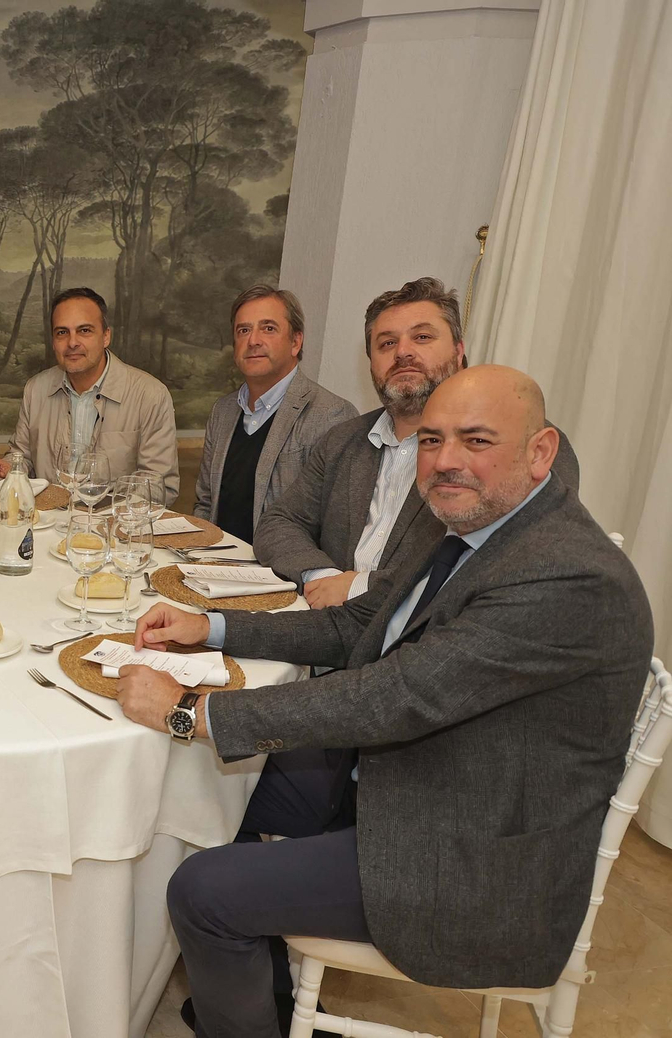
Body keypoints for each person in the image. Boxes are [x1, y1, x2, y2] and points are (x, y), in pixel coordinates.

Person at [116, 365, 652, 1038]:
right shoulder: (466, 523)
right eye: (431, 440)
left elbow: (392, 698)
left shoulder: (563, 574)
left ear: (540, 453)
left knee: (201, 891)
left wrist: (191, 711)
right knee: (211, 792)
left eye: (475, 441)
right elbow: (352, 625)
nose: (445, 461)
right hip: (413, 778)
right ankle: (262, 1007)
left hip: (470, 854)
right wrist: (214, 625)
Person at [256, 277, 580, 608]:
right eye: (386, 344)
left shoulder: (520, 442)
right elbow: (279, 523)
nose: (403, 352)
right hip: (326, 633)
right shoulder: (342, 441)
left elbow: (506, 563)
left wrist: (360, 587)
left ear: (459, 352)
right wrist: (321, 577)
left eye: (422, 337)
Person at [194, 286, 356, 541]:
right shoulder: (222, 411)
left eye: (268, 328)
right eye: (243, 330)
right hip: (215, 570)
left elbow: (334, 526)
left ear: (295, 342)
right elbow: (205, 502)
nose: (253, 340)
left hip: (283, 575)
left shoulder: (331, 415)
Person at [7, 287, 179, 503]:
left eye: (84, 331)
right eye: (62, 332)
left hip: (114, 528)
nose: (72, 343)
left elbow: (158, 484)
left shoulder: (150, 395)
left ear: (106, 336)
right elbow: (21, 458)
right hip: (47, 524)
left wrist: (99, 514)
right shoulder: (36, 389)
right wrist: (9, 468)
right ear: (53, 340)